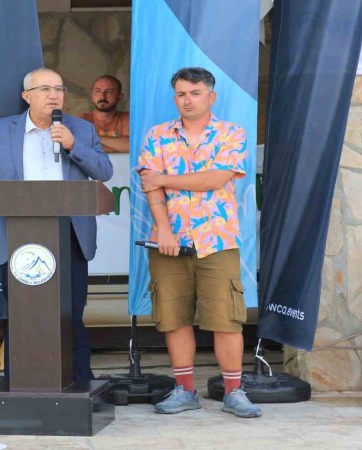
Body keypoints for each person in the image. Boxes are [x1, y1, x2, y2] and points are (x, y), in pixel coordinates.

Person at [0, 68, 113, 382]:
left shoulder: (81, 130)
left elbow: (104, 170)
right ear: (27, 96)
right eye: (45, 89)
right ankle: (19, 381)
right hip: (14, 233)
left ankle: (78, 380)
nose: (54, 95)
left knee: (71, 312)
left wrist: (73, 145)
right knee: (22, 312)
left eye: (59, 89)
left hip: (68, 233)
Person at [137, 67, 262, 418]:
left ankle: (234, 393)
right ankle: (185, 390)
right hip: (168, 241)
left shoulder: (231, 133)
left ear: (211, 96)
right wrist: (164, 229)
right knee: (174, 318)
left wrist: (164, 178)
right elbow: (150, 187)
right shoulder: (157, 135)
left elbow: (216, 178)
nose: (187, 100)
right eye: (181, 94)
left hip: (217, 241)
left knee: (226, 319)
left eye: (194, 93)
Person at [78, 75, 130, 153]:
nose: (102, 96)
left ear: (120, 97)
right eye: (97, 91)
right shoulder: (82, 119)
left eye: (109, 91)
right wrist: (117, 146)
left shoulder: (127, 118)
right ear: (92, 95)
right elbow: (79, 147)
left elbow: (131, 146)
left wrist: (94, 138)